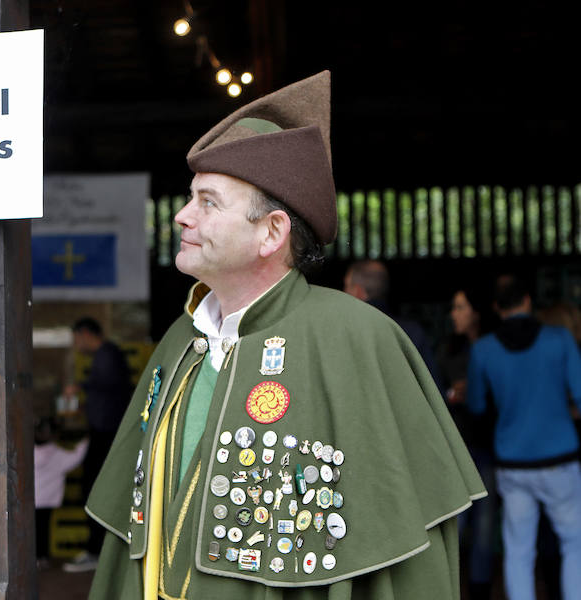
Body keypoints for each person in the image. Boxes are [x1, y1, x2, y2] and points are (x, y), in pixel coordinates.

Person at [85, 71, 485, 600]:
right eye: (190, 197)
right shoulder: (179, 338)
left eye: (208, 202)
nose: (182, 216)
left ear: (271, 232)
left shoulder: (360, 337)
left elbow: (405, 554)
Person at [467, 274, 581, 600]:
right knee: (574, 543)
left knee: (519, 551)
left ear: (495, 307)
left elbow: (476, 405)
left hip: (512, 463)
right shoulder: (559, 339)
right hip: (561, 460)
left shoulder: (484, 350)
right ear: (529, 300)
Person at [437, 286, 497, 599]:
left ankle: (480, 590)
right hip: (456, 446)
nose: (453, 314)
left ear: (476, 311)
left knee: (485, 527)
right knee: (456, 526)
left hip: (489, 446)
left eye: (460, 307)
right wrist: (453, 393)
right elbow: (437, 392)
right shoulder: (449, 348)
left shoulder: (496, 345)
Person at [62, 317, 132, 572]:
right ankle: (97, 550)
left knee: (95, 489)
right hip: (104, 433)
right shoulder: (107, 355)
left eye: (76, 338)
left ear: (84, 333)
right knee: (94, 488)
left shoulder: (107, 354)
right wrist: (86, 404)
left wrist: (80, 386)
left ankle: (97, 551)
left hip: (107, 435)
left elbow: (109, 385)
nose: (76, 344)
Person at [344, 259, 443, 393]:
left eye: (346, 287)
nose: (343, 293)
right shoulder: (411, 332)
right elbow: (433, 390)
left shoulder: (345, 332)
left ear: (357, 291)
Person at [33, 417, 89, 568]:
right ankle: (43, 557)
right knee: (44, 529)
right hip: (48, 499)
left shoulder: (28, 453)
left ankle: (35, 557)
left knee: (34, 529)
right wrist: (86, 441)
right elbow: (75, 457)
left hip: (32, 498)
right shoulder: (57, 454)